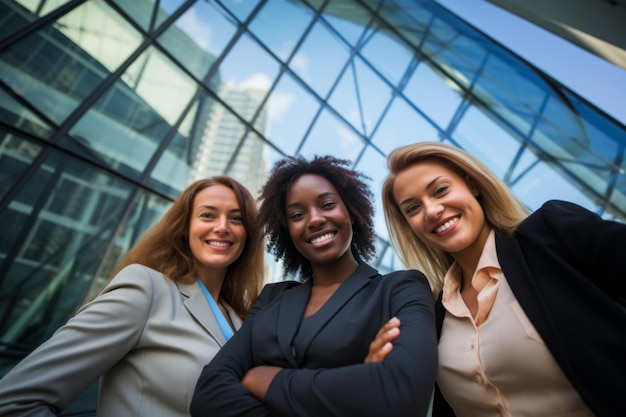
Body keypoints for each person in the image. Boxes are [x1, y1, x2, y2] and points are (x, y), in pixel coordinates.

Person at [378, 141, 626, 417]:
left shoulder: (549, 235)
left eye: (440, 190)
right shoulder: (433, 314)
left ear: (472, 185)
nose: (432, 210)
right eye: (412, 208)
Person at [190, 155, 437, 417]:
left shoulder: (400, 289)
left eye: (327, 204)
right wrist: (357, 389)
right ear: (288, 230)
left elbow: (402, 393)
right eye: (297, 214)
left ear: (351, 212)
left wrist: (266, 379)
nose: (315, 219)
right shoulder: (272, 298)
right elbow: (208, 396)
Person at [0, 176, 265, 416]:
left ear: (248, 235)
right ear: (184, 227)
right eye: (207, 215)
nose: (222, 227)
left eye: (236, 218)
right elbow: (15, 401)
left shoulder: (240, 318)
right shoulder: (146, 289)